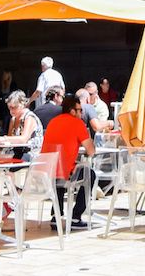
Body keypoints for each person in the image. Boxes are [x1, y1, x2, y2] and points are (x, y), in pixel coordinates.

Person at [41, 95, 93, 230]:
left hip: (46, 171)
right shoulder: (78, 124)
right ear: (72, 111)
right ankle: (76, 216)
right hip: (65, 172)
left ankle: (56, 216)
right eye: (79, 110)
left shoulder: (52, 122)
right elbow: (91, 150)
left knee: (59, 170)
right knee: (90, 174)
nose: (82, 113)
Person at [0, 91, 43, 162]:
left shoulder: (29, 117)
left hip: (31, 155)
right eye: (9, 107)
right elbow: (10, 140)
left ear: (22, 105)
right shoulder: (13, 119)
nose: (11, 110)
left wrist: (3, 138)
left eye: (14, 107)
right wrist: (0, 147)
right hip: (17, 153)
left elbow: (23, 139)